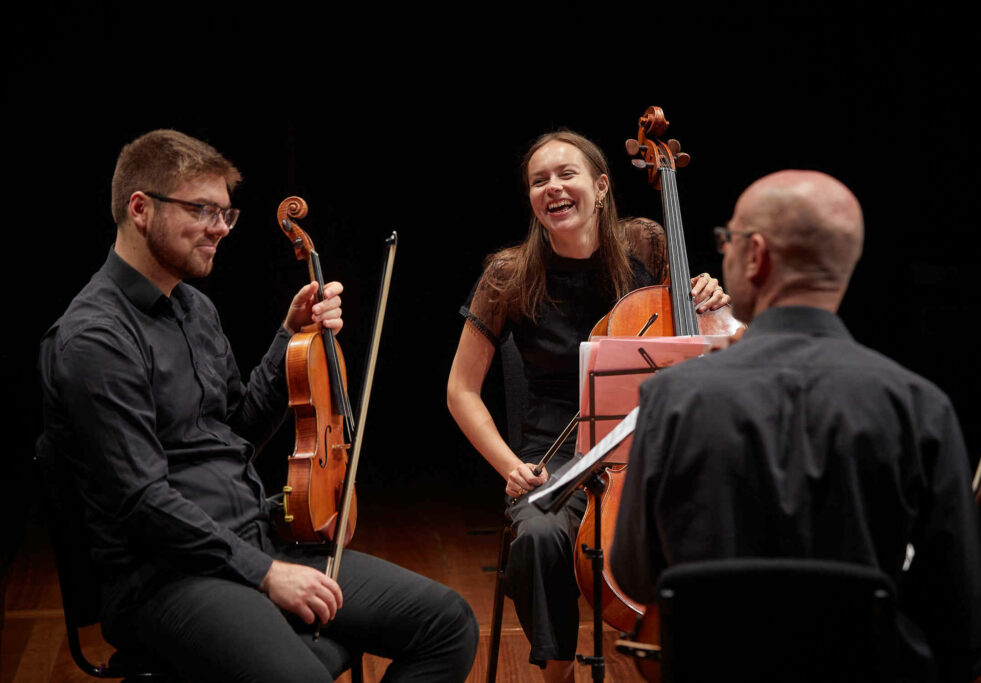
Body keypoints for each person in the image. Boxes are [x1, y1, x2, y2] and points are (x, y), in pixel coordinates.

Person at [38, 129, 478, 682]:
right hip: (166, 578)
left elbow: (238, 431)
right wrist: (265, 573)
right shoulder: (94, 339)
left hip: (252, 543)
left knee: (447, 624)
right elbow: (142, 501)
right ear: (140, 208)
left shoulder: (193, 308)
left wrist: (289, 337)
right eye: (203, 210)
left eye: (226, 213)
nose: (221, 229)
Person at [611, 170, 981, 680]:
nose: (722, 255)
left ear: (757, 255)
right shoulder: (919, 406)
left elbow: (636, 575)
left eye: (727, 240)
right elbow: (963, 621)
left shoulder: (671, 398)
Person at [446, 130, 731, 681]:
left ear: (601, 186)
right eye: (538, 180)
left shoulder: (646, 244)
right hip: (556, 454)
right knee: (537, 535)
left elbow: (690, 335)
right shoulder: (509, 274)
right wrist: (510, 466)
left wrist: (707, 294)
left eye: (566, 174)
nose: (552, 187)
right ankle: (559, 674)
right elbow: (461, 389)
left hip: (650, 446)